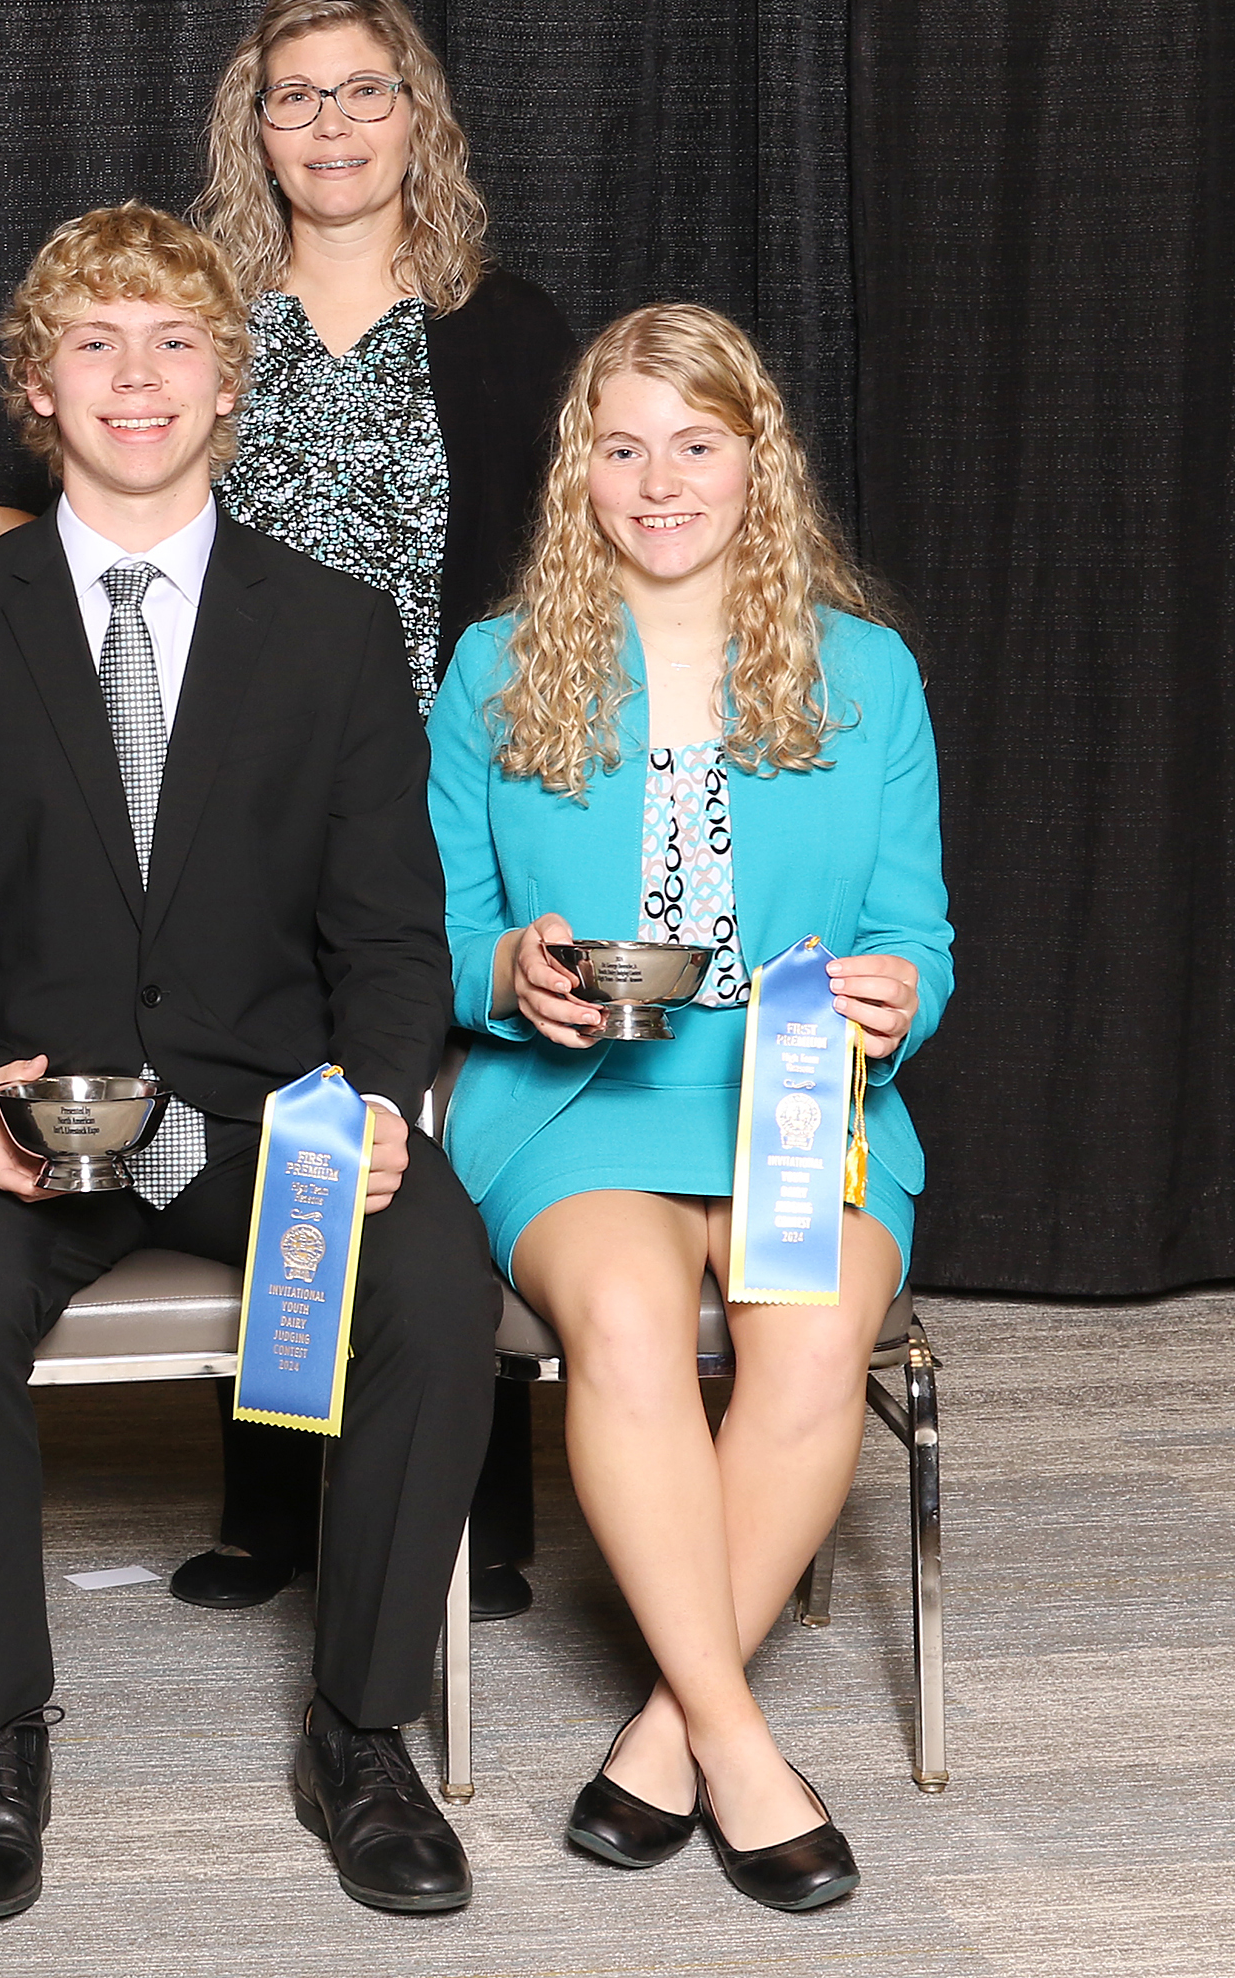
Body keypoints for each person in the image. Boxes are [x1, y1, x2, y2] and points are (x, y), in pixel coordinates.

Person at [0, 205, 498, 1923]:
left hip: (264, 1116)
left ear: (233, 385)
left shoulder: (338, 636)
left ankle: (362, 1730)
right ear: (36, 388)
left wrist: (373, 1097)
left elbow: (392, 936)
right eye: (94, 344)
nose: (137, 378)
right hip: (24, 1121)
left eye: (175, 343)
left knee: (438, 1284)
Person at [426, 302, 950, 1914]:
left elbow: (914, 936)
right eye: (623, 445)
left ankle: (667, 1734)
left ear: (755, 463)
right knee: (636, 1326)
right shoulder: (497, 668)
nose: (661, 481)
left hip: (796, 1100)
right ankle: (746, 1745)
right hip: (574, 1100)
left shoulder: (867, 675)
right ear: (581, 469)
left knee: (810, 1343)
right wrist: (508, 967)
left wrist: (894, 998)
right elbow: (439, 935)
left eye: (697, 445)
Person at [168, 0, 579, 1619]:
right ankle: (272, 1503)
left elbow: (557, 572)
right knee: (275, 1110)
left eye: (362, 92)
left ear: (419, 116)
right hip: (239, 778)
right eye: (294, 97)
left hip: (440, 778)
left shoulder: (509, 321)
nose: (329, 126)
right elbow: (128, 519)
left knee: (440, 1118)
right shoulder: (202, 309)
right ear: (251, 130)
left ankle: (473, 1502)